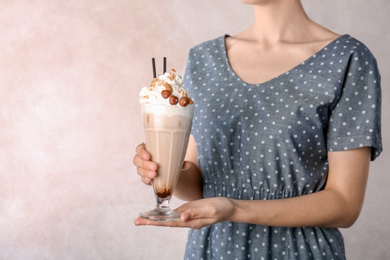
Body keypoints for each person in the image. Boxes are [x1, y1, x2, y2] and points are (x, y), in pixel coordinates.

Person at [133, 0, 382, 259]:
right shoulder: (202, 59)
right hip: (212, 249)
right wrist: (164, 168)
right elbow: (196, 186)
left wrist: (234, 209)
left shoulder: (347, 59)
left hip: (298, 251)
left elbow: (345, 204)